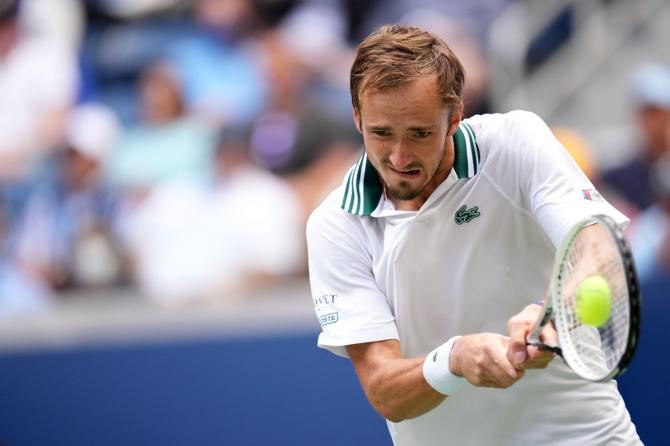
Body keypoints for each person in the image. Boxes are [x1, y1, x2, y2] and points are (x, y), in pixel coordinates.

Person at [306, 25, 641, 445]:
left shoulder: (516, 142)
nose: (399, 156)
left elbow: (599, 246)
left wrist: (555, 309)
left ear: (455, 116)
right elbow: (384, 388)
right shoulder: (334, 227)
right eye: (381, 133)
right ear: (357, 118)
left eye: (419, 133)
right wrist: (455, 359)